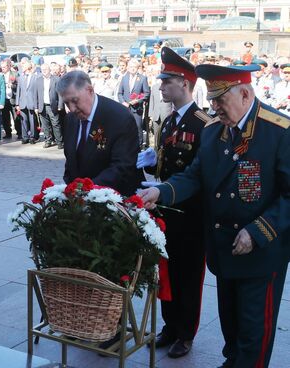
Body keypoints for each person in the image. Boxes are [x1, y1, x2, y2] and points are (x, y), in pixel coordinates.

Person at [139, 63, 290, 368]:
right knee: (231, 327)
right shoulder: (212, 131)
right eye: (211, 100)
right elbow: (195, 175)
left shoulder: (279, 131)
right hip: (224, 247)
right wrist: (162, 192)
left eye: (220, 100)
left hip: (261, 253)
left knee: (253, 334)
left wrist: (257, 231)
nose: (214, 107)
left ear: (245, 94)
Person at [137, 47, 212, 359]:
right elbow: (167, 165)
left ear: (184, 82)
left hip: (191, 216)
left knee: (188, 275)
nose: (161, 86)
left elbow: (202, 175)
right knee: (165, 272)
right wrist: (151, 167)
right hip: (165, 211)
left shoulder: (203, 123)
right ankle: (170, 325)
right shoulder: (168, 122)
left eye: (166, 81)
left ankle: (185, 332)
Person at [57, 71, 142, 196]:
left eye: (75, 100)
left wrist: (86, 191)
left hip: (113, 198)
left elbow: (122, 166)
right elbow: (71, 161)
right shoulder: (71, 119)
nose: (72, 108)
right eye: (66, 103)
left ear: (90, 90)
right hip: (80, 199)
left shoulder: (119, 117)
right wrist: (70, 190)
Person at [118, 58, 151, 146]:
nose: (132, 68)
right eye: (131, 67)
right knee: (126, 128)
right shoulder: (124, 78)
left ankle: (138, 147)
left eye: (134, 67)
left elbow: (146, 94)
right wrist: (123, 102)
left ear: (137, 68)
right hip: (126, 108)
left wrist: (138, 100)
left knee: (137, 128)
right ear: (128, 67)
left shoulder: (142, 78)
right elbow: (120, 93)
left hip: (137, 109)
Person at [35, 63, 63, 148]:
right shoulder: (38, 80)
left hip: (53, 106)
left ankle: (59, 142)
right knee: (45, 125)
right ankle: (48, 140)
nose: (44, 71)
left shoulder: (56, 79)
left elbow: (60, 93)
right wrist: (36, 107)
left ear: (49, 69)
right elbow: (36, 94)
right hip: (42, 106)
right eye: (42, 69)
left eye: (46, 69)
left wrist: (60, 105)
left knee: (56, 124)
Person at [16, 58, 41, 144]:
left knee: (32, 120)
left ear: (28, 67)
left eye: (23, 65)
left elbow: (37, 91)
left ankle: (32, 137)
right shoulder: (21, 77)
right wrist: (17, 104)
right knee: (24, 120)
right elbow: (19, 91)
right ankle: (25, 137)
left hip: (32, 102)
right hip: (22, 102)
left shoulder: (35, 77)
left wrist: (36, 104)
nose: (22, 67)